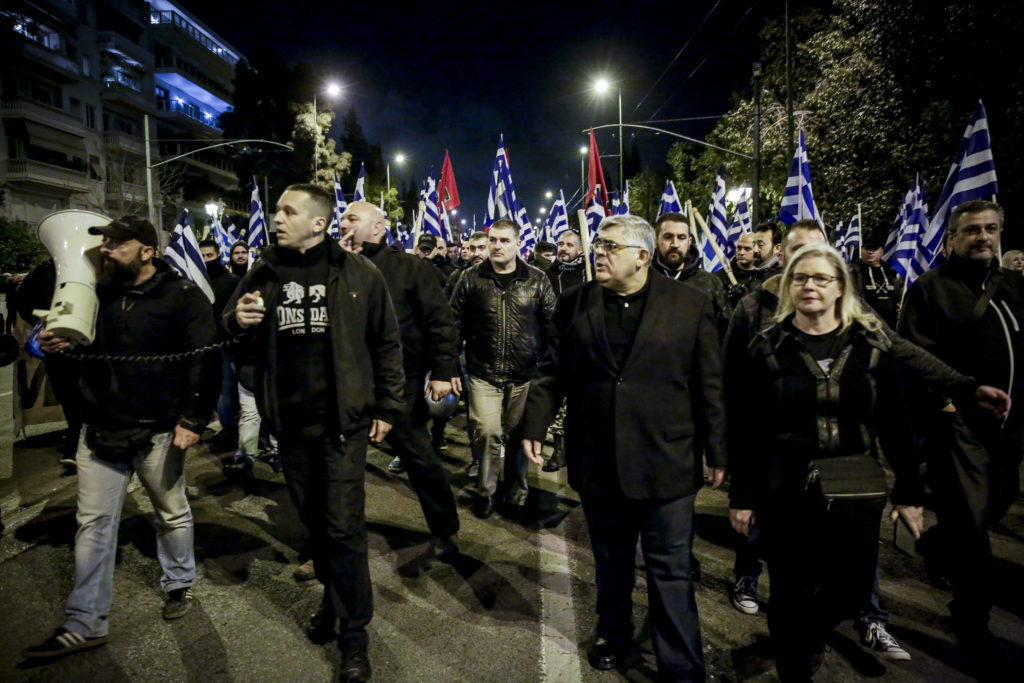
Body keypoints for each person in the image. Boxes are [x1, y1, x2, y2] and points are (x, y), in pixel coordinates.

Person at [522, 214, 726, 681]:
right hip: (599, 460)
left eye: (611, 246)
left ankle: (681, 665)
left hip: (667, 460)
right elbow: (554, 371)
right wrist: (533, 424)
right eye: (598, 244)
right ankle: (613, 634)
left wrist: (718, 448)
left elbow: (709, 383)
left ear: (642, 255)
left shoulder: (690, 304)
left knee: (670, 570)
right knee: (611, 563)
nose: (599, 252)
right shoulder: (575, 303)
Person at [224, 184, 405, 682]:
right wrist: (236, 319)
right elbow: (229, 326)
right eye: (278, 210)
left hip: (341, 427)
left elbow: (387, 344)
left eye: (289, 211)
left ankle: (353, 637)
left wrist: (387, 405)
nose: (278, 219)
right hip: (289, 426)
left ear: (319, 223)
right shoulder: (262, 271)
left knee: (345, 528)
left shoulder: (359, 274)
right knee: (316, 526)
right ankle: (332, 600)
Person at [727, 243, 925, 680]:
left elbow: (896, 423)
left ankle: (806, 637)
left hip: (855, 490)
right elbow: (746, 429)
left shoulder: (872, 345)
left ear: (840, 288)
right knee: (789, 591)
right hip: (786, 489)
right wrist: (742, 494)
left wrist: (911, 491)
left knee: (849, 590)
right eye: (800, 278)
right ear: (788, 287)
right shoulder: (767, 347)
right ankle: (794, 667)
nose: (810, 285)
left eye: (821, 278)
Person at [24, 216, 219, 659]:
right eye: (104, 243)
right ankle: (86, 622)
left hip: (159, 430)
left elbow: (204, 363)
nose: (106, 250)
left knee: (170, 512)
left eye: (117, 244)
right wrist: (52, 340)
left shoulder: (184, 297)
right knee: (92, 523)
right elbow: (49, 323)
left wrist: (193, 419)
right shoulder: (96, 290)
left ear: (147, 251)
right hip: (100, 426)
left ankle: (179, 583)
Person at [899, 200, 1023, 675]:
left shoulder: (1014, 287)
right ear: (952, 238)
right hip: (959, 426)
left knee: (997, 504)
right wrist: (946, 403)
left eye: (991, 228)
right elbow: (911, 351)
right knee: (972, 528)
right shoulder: (931, 289)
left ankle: (934, 544)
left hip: (1009, 429)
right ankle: (972, 622)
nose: (983, 237)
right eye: (972, 230)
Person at [339, 201, 461, 560]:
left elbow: (440, 323)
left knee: (419, 459)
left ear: (378, 228)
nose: (343, 223)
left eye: (353, 218)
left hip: (399, 384)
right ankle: (335, 543)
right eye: (342, 217)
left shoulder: (410, 268)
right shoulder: (330, 267)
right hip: (348, 384)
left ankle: (444, 530)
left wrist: (442, 371)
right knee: (341, 468)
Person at [449, 218, 555, 518]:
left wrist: (548, 371)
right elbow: (453, 323)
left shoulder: (538, 280)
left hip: (525, 375)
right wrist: (448, 365)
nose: (497, 246)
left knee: (520, 435)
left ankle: (517, 491)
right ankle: (486, 491)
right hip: (483, 373)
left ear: (518, 244)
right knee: (486, 431)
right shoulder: (470, 278)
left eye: (504, 240)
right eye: (493, 240)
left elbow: (553, 328)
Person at [651, 212, 730, 334]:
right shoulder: (641, 279)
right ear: (656, 241)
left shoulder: (709, 283)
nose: (675, 244)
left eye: (681, 238)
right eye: (668, 237)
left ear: (689, 242)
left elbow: (725, 331)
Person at [199, 238, 241, 454]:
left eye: (210, 256)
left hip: (225, 346)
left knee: (226, 393)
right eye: (202, 256)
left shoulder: (230, 281)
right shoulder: (197, 282)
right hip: (205, 346)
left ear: (218, 256)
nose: (206, 260)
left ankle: (231, 432)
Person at [852, 237, 903, 329]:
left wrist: (900, 304)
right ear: (862, 250)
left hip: (890, 324)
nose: (870, 252)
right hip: (863, 324)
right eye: (867, 248)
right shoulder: (852, 271)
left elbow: (899, 293)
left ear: (881, 251)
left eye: (874, 249)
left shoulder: (891, 272)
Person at [547, 230, 587, 298]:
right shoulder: (547, 275)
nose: (563, 248)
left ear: (580, 249)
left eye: (569, 245)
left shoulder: (589, 273)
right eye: (560, 244)